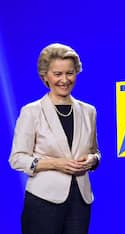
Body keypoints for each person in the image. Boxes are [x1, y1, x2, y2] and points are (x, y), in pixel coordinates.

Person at [9, 43, 100, 234]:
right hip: (43, 201)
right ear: (45, 76)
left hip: (80, 202)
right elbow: (17, 158)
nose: (64, 80)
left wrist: (93, 160)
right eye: (58, 74)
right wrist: (56, 164)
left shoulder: (88, 111)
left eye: (70, 73)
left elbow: (94, 151)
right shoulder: (31, 111)